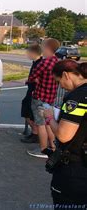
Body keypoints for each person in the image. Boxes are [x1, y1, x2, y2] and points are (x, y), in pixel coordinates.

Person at [48, 60, 87, 207]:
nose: (61, 86)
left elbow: (64, 135)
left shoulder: (77, 98)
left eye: (59, 82)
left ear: (66, 75)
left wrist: (49, 118)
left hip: (76, 166)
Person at [27, 38, 60, 158]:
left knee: (40, 124)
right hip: (50, 97)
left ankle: (43, 149)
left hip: (40, 96)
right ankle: (53, 146)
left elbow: (32, 77)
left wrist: (34, 79)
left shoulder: (44, 63)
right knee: (48, 123)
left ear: (46, 47)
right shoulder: (56, 61)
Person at [20, 44, 43, 143]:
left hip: (35, 92)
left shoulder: (39, 64)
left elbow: (38, 79)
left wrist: (32, 81)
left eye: (28, 52)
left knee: (31, 113)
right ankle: (34, 133)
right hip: (32, 90)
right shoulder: (36, 62)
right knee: (27, 111)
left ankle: (36, 134)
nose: (27, 54)